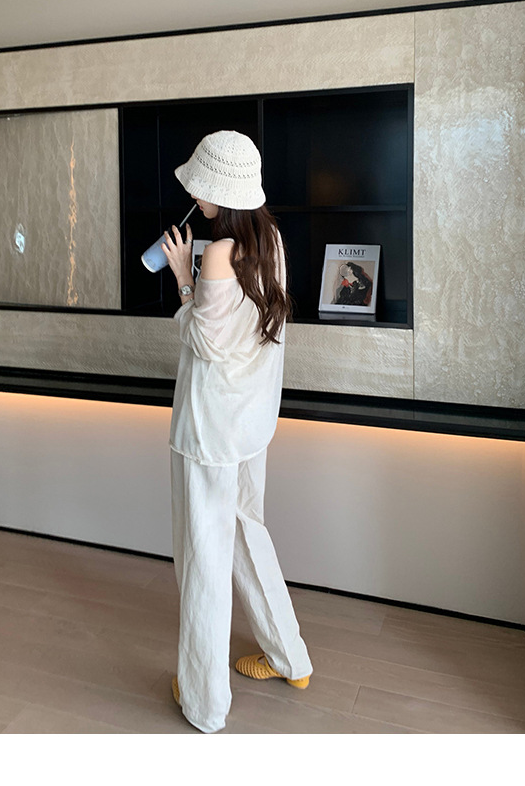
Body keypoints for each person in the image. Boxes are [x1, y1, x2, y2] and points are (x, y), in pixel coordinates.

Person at [159, 130, 313, 734]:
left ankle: (203, 701)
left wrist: (183, 276)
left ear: (218, 191)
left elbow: (205, 341)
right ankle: (290, 657)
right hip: (250, 424)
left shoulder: (220, 253)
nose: (194, 197)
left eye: (200, 187)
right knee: (248, 536)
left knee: (203, 558)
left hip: (209, 431)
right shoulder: (270, 239)